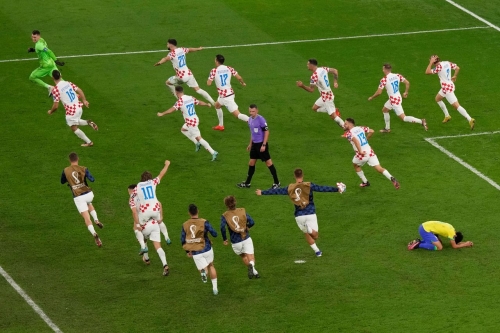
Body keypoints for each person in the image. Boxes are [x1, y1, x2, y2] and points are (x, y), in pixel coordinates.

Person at [256, 168, 346, 257]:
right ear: (302, 175)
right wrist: (337, 189)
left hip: (299, 216)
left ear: (294, 176)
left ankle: (317, 251)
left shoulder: (289, 188)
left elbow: (277, 191)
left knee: (306, 233)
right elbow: (322, 188)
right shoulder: (309, 185)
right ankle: (310, 232)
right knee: (315, 236)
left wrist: (262, 192)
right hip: (310, 213)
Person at [154, 38, 223, 122]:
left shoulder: (172, 53)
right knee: (198, 89)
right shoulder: (181, 49)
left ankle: (179, 100)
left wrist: (159, 62)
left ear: (171, 45)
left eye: (167, 44)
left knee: (168, 83)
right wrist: (198, 48)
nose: (167, 45)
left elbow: (165, 58)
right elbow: (190, 49)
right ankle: (213, 102)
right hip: (188, 73)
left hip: (181, 76)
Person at [130, 161, 171, 276]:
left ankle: (143, 248)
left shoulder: (137, 186)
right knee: (158, 244)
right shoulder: (153, 182)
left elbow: (132, 199)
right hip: (156, 208)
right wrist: (167, 165)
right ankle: (165, 264)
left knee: (137, 228)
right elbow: (161, 174)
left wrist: (138, 222)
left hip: (145, 211)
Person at [157, 86, 218, 161]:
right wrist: (206, 104)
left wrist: (162, 114)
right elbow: (199, 102)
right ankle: (196, 143)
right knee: (183, 129)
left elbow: (171, 110)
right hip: (195, 119)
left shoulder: (180, 101)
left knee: (199, 138)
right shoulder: (190, 97)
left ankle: (213, 152)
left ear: (176, 92)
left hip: (190, 122)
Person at [368, 63, 427, 132]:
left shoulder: (384, 80)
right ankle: (387, 128)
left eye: (383, 68)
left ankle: (421, 121)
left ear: (385, 70)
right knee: (384, 110)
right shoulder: (397, 75)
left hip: (394, 101)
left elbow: (379, 92)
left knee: (404, 118)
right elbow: (407, 83)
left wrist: (372, 97)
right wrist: (406, 92)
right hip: (397, 97)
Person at [343, 118, 400, 189]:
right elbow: (372, 131)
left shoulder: (348, 133)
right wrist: (366, 140)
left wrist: (360, 151)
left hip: (362, 154)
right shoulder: (360, 128)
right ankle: (392, 178)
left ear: (350, 124)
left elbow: (356, 141)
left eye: (345, 124)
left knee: (355, 165)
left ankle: (365, 182)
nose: (344, 125)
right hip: (370, 151)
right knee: (379, 168)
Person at [61, 152, 103, 247]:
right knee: (89, 203)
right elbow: (92, 179)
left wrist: (70, 181)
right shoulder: (84, 168)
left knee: (86, 218)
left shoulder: (65, 170)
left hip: (78, 197)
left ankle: (95, 234)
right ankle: (96, 220)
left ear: (69, 160)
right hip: (88, 194)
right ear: (78, 159)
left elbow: (62, 181)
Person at [47, 70, 98, 147]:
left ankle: (89, 142)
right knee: (75, 121)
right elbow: (79, 90)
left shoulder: (56, 90)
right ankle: (88, 122)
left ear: (52, 78)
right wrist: (84, 100)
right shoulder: (68, 83)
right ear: (61, 76)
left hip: (71, 111)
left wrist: (51, 111)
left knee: (74, 127)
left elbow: (56, 106)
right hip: (78, 107)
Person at [425, 55, 475, 129]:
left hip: (447, 89)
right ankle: (447, 116)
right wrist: (455, 76)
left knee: (456, 106)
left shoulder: (439, 67)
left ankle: (470, 119)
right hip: (449, 85)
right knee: (437, 99)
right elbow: (457, 68)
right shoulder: (446, 63)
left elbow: (427, 72)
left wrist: (430, 63)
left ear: (434, 61)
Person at [237, 104, 280, 189]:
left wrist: (264, 144)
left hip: (261, 144)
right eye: (250, 111)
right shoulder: (250, 120)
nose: (251, 113)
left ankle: (277, 182)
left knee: (269, 163)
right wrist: (250, 144)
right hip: (254, 145)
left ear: (257, 111)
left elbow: (267, 132)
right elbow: (252, 133)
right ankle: (247, 183)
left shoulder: (261, 119)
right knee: (251, 163)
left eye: (253, 111)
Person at [128, 184, 171, 264]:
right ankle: (166, 236)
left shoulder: (131, 199)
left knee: (138, 233)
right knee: (159, 221)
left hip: (141, 218)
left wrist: (137, 224)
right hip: (151, 214)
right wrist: (161, 216)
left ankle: (146, 255)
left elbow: (134, 212)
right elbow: (158, 203)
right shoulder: (143, 195)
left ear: (131, 191)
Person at [181, 204, 219, 295]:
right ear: (198, 211)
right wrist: (207, 234)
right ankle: (215, 289)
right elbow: (215, 233)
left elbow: (182, 240)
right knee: (211, 265)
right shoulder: (204, 222)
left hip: (195, 251)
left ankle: (203, 273)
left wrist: (187, 251)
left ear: (189, 213)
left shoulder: (185, 225)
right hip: (207, 248)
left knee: (203, 268)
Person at [296, 59, 344, 128]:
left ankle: (346, 128)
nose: (307, 65)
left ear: (311, 65)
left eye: (308, 64)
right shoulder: (322, 69)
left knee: (333, 116)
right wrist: (335, 82)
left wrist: (302, 86)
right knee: (314, 108)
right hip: (327, 94)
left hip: (326, 97)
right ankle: (333, 110)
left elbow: (311, 90)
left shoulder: (314, 76)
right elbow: (335, 71)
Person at [207, 54, 250, 130]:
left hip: (226, 97)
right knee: (217, 105)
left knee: (237, 115)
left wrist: (210, 77)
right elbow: (239, 77)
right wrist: (242, 83)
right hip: (228, 93)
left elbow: (208, 84)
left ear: (216, 61)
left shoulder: (214, 70)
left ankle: (252, 121)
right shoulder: (229, 68)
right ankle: (221, 125)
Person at [220, 195, 259, 279]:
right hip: (246, 238)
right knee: (251, 257)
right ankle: (252, 266)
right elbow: (252, 222)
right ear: (235, 202)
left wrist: (225, 239)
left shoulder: (225, 215)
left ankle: (255, 272)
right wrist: (247, 227)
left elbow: (222, 227)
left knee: (244, 256)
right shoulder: (242, 211)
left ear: (226, 205)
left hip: (235, 241)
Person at [28, 30, 65, 96]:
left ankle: (49, 87)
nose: (33, 39)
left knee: (32, 77)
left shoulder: (38, 45)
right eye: (32, 37)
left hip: (46, 66)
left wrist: (56, 60)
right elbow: (42, 50)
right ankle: (74, 93)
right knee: (60, 81)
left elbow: (49, 51)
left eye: (35, 37)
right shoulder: (42, 40)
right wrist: (33, 50)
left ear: (39, 36)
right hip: (51, 64)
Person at [407, 221, 473, 251]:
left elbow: (438, 230)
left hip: (424, 226)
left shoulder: (451, 228)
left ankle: (419, 241)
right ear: (455, 237)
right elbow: (454, 246)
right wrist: (465, 244)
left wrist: (464, 243)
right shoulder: (451, 234)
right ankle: (418, 244)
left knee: (439, 243)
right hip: (425, 230)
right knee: (439, 247)